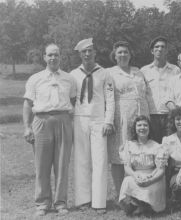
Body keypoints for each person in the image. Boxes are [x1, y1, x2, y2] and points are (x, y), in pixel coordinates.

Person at [23, 44, 76, 216]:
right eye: (50, 55)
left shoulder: (69, 78)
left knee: (62, 164)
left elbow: (73, 100)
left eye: (56, 55)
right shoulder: (35, 78)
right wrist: (27, 127)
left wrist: (65, 118)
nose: (53, 58)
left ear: (60, 57)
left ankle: (60, 202)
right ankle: (42, 203)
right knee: (42, 165)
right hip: (41, 121)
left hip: (63, 120)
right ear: (44, 57)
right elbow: (28, 104)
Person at [70, 38, 115, 214]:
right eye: (84, 52)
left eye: (90, 51)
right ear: (80, 55)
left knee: (100, 161)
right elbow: (70, 98)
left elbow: (110, 99)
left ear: (95, 53)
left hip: (98, 120)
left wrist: (108, 121)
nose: (87, 54)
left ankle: (99, 202)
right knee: (81, 160)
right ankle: (83, 200)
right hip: (79, 119)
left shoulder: (104, 73)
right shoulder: (73, 74)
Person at [107, 41, 155, 198]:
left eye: (125, 52)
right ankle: (120, 192)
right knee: (120, 152)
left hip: (141, 115)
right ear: (114, 56)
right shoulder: (110, 73)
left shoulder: (138, 72)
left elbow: (147, 93)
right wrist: (110, 119)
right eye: (119, 52)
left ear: (130, 54)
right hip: (122, 115)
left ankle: (137, 189)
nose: (123, 55)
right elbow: (107, 98)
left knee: (139, 151)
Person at [119, 115, 166, 216]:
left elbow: (161, 170)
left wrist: (150, 180)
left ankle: (145, 206)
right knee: (128, 181)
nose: (142, 128)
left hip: (153, 176)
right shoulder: (129, 145)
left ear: (149, 128)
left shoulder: (157, 146)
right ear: (135, 129)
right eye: (139, 125)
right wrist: (135, 176)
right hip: (136, 175)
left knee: (151, 188)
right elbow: (127, 167)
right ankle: (137, 204)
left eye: (145, 125)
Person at [141, 36, 180, 143]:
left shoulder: (176, 70)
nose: (160, 49)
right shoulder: (144, 71)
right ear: (152, 51)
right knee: (153, 148)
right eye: (156, 47)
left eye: (163, 47)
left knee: (171, 148)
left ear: (166, 50)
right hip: (151, 116)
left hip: (170, 115)